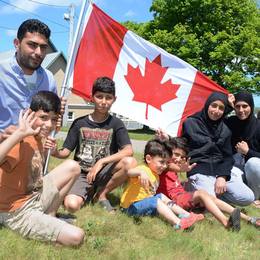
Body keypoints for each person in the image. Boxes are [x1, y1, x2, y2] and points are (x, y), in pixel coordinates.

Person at [0, 91, 84, 246]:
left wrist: (49, 150)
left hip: (33, 196)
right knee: (77, 237)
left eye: (53, 119)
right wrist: (17, 136)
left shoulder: (39, 137)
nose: (48, 124)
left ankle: (50, 216)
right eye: (43, 118)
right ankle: (40, 226)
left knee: (73, 167)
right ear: (29, 114)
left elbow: (34, 171)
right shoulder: (19, 138)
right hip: (15, 211)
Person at [50, 77, 136, 212]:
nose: (103, 102)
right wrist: (55, 152)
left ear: (114, 99)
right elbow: (66, 152)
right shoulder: (79, 123)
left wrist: (101, 162)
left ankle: (101, 195)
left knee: (130, 162)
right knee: (71, 205)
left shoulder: (116, 123)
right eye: (99, 97)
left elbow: (128, 150)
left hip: (104, 172)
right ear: (92, 97)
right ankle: (88, 190)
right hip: (82, 173)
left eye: (108, 98)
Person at [156, 137, 260, 230]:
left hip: (181, 197)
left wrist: (182, 183)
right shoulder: (163, 165)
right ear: (168, 153)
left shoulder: (172, 168)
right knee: (201, 193)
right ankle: (226, 223)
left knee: (210, 197)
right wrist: (166, 140)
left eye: (182, 157)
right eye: (176, 154)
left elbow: (171, 183)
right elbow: (168, 165)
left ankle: (249, 219)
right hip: (174, 202)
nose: (178, 159)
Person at [182, 91, 254, 206]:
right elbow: (181, 145)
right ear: (207, 105)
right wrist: (166, 140)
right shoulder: (190, 123)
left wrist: (222, 176)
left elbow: (227, 157)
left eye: (221, 108)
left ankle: (216, 196)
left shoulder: (225, 129)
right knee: (208, 202)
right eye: (214, 106)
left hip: (219, 170)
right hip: (200, 169)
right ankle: (193, 188)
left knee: (248, 198)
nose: (216, 111)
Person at [0, 19, 65, 140]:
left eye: (43, 47)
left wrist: (58, 112)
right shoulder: (1, 74)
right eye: (32, 45)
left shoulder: (49, 79)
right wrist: (2, 136)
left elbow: (52, 122)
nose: (39, 52)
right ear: (17, 43)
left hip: (34, 154)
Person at [120, 138, 204, 230]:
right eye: (161, 162)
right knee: (156, 201)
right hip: (130, 208)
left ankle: (186, 215)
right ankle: (178, 223)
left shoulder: (155, 173)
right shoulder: (143, 169)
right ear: (148, 159)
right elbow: (129, 172)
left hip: (144, 204)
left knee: (161, 196)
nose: (164, 166)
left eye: (166, 163)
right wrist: (140, 173)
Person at [225, 91, 260, 207]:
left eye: (245, 106)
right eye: (237, 106)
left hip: (255, 173)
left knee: (253, 163)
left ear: (251, 106)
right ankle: (246, 196)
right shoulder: (231, 122)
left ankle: (256, 197)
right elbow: (213, 121)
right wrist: (227, 106)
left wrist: (248, 152)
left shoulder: (258, 126)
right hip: (236, 168)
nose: (241, 110)